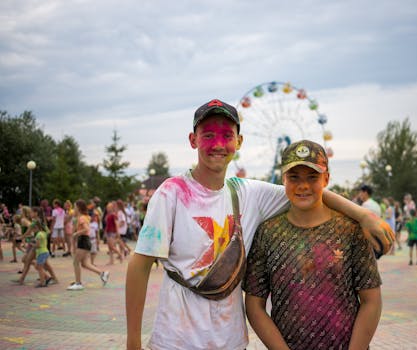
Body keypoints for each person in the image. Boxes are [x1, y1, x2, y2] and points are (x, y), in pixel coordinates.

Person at [125, 99, 394, 350]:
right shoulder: (170, 194)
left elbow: (308, 191)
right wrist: (133, 342)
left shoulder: (248, 193)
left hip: (230, 340)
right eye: (208, 135)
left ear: (239, 142)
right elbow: (140, 266)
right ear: (192, 140)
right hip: (176, 339)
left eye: (227, 136)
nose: (218, 144)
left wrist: (363, 216)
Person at [243, 140, 382, 349]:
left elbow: (371, 300)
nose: (303, 185)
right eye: (294, 177)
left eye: (312, 177)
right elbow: (254, 305)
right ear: (283, 179)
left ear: (326, 178)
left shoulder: (350, 230)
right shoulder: (267, 234)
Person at [67, 199, 109, 291]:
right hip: (85, 241)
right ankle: (102, 273)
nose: (74, 209)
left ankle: (78, 283)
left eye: (74, 207)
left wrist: (76, 234)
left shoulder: (82, 218)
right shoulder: (84, 217)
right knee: (85, 264)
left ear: (78, 208)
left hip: (83, 241)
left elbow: (86, 229)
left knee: (76, 262)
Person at [33, 218, 58, 287]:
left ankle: (42, 282)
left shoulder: (38, 235)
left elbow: (38, 245)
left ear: (36, 227)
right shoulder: (44, 233)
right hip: (45, 251)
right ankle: (47, 278)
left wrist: (32, 244)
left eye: (33, 229)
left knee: (40, 268)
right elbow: (48, 231)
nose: (33, 230)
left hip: (41, 252)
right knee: (38, 266)